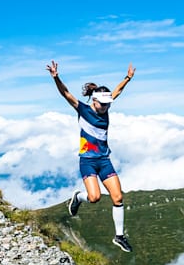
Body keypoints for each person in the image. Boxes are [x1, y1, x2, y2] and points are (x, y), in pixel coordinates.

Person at [46, 60, 136, 252]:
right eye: (102, 104)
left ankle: (119, 237)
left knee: (118, 197)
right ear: (94, 101)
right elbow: (65, 93)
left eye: (107, 104)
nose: (105, 107)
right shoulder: (83, 109)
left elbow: (117, 91)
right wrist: (56, 78)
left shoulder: (106, 105)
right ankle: (78, 197)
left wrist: (127, 78)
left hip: (104, 160)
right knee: (94, 197)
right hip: (87, 161)